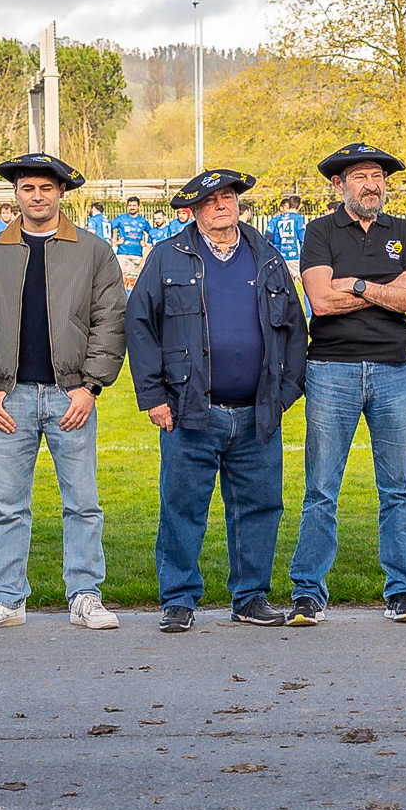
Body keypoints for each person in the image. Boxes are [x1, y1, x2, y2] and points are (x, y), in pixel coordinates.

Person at [126, 169, 307, 633]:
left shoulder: (266, 256)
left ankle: (250, 597)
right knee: (182, 507)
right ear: (194, 210)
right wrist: (153, 397)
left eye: (228, 197)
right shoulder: (169, 258)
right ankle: (179, 599)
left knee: (260, 507)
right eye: (210, 200)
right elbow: (140, 326)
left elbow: (294, 328)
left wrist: (285, 392)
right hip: (190, 410)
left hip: (257, 413)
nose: (221, 205)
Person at [0, 153, 127, 633]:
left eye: (46, 189)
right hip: (8, 398)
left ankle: (86, 595)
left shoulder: (93, 251)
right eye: (28, 188)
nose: (37, 196)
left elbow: (109, 323)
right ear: (16, 194)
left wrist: (90, 387)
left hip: (70, 396)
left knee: (83, 503)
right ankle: (7, 599)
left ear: (61, 194)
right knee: (8, 506)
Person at [287, 142, 406, 625]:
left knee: (398, 489)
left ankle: (402, 592)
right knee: (322, 489)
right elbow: (321, 302)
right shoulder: (320, 231)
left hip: (394, 369)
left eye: (379, 177)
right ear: (339, 185)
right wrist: (384, 290)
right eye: (363, 177)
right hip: (331, 369)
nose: (373, 185)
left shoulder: (404, 231)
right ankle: (308, 592)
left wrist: (359, 285)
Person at [265, 194, 310, 318]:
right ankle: (309, 314)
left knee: (283, 285)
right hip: (295, 254)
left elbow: (270, 237)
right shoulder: (298, 218)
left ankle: (281, 313)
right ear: (299, 206)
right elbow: (302, 237)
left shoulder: (277, 219)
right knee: (305, 283)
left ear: (288, 205)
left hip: (280, 255)